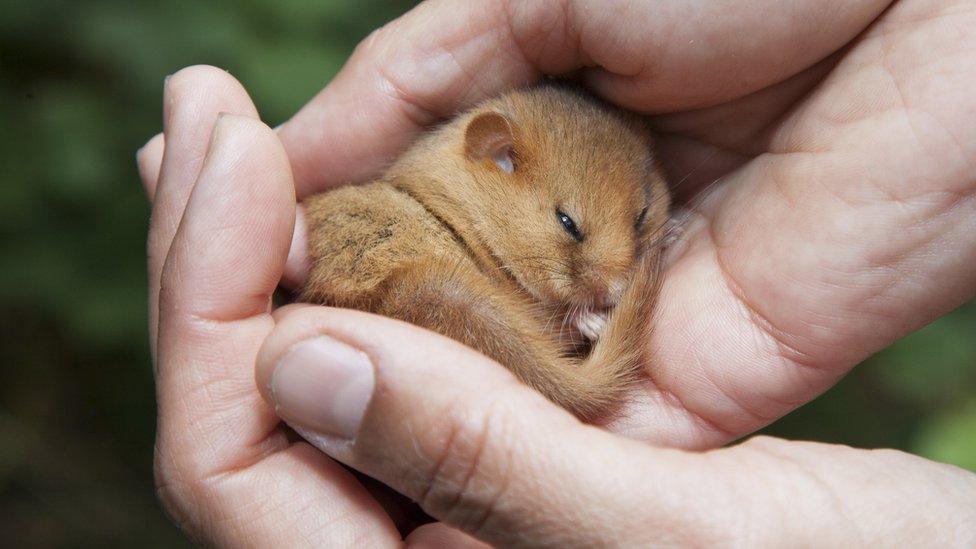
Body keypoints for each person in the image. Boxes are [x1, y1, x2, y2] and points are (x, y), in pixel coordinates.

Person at [136, 0, 976, 546]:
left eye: (641, 226)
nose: (612, 271)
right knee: (422, 290)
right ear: (497, 156)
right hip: (396, 262)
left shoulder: (622, 166)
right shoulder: (464, 172)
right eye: (572, 229)